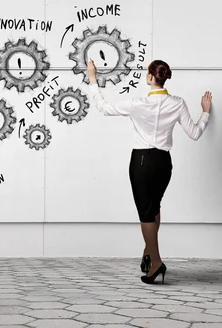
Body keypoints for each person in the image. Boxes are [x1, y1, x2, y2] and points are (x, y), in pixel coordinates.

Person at [85, 58, 212, 284]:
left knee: (145, 214)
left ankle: (156, 262)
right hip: (164, 162)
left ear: (150, 77)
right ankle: (148, 255)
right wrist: (205, 113)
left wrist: (93, 78)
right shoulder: (178, 103)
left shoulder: (138, 103)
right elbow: (194, 133)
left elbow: (104, 108)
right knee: (154, 209)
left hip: (141, 161)